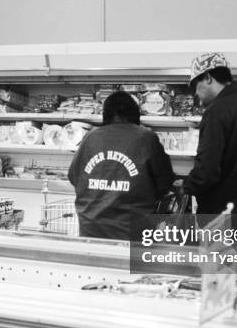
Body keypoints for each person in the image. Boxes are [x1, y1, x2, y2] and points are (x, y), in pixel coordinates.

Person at [68, 91, 176, 240]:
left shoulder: (90, 137)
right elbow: (165, 181)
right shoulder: (146, 137)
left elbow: (73, 177)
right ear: (135, 113)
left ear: (106, 114)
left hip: (91, 231)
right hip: (132, 233)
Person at [183, 52, 237, 217]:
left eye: (196, 85)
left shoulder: (217, 111)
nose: (196, 93)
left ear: (208, 78)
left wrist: (185, 186)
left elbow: (207, 172)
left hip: (224, 216)